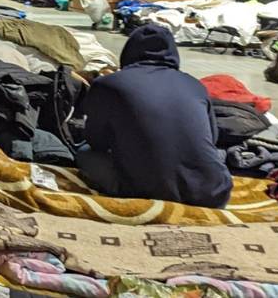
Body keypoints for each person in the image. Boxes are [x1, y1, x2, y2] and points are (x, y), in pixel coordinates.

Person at [75, 25, 232, 207]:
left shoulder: (108, 84)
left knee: (85, 153)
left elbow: (96, 141)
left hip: (143, 190)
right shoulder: (194, 84)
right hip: (213, 192)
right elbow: (212, 138)